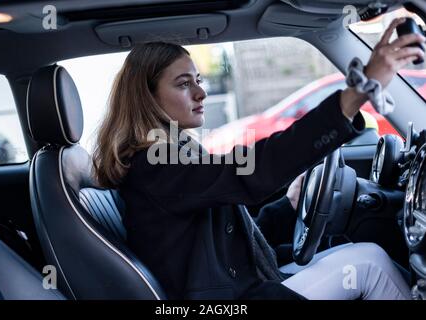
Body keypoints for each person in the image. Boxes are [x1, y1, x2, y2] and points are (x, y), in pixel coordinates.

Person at [92, 18, 425, 299]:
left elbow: (227, 238)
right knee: (369, 263)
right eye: (183, 84)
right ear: (146, 98)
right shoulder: (155, 163)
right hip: (228, 299)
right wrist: (355, 96)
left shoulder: (172, 153)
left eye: (199, 79)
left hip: (237, 286)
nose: (200, 92)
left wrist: (287, 205)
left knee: (359, 254)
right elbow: (251, 167)